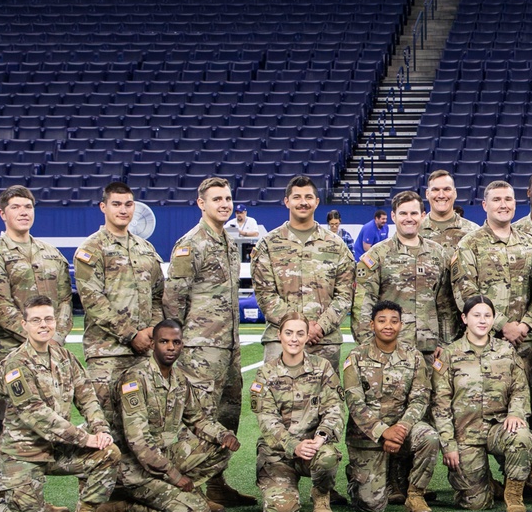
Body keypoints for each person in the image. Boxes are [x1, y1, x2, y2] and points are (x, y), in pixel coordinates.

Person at [0, 296, 131, 512]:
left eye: (48, 319)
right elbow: (35, 414)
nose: (43, 325)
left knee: (108, 453)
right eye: (36, 320)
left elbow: (87, 398)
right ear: (24, 325)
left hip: (58, 449)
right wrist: (83, 438)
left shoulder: (65, 358)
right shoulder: (15, 365)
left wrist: (101, 430)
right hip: (23, 454)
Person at [0, 185, 71, 512]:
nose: (24, 212)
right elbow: (0, 306)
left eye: (28, 206)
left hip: (46, 358)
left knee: (39, 427)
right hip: (6, 356)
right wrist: (36, 336)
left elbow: (65, 302)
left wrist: (54, 338)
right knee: (2, 427)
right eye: (16, 207)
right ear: (3, 213)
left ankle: (33, 498)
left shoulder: (50, 254)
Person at [164, 179, 246, 483]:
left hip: (228, 346)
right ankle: (184, 486)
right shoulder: (191, 243)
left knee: (227, 417)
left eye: (227, 198)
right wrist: (177, 345)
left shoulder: (227, 241)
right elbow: (174, 298)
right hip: (200, 350)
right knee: (200, 420)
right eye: (217, 199)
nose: (224, 204)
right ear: (201, 203)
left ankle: (216, 484)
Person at [72, 181, 165, 446]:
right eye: (116, 204)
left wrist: (153, 333)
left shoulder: (145, 249)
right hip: (107, 355)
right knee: (107, 428)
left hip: (144, 354)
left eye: (128, 204)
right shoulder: (91, 249)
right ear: (103, 207)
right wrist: (131, 334)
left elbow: (159, 296)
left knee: (144, 428)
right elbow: (93, 300)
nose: (123, 210)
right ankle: (103, 487)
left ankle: (136, 488)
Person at [118, 319, 239, 512]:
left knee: (220, 446)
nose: (171, 347)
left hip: (162, 459)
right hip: (136, 470)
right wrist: (173, 475)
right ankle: (125, 507)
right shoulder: (135, 379)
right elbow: (138, 441)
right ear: (152, 344)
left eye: (176, 342)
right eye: (164, 342)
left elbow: (198, 420)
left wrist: (223, 435)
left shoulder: (178, 379)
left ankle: (181, 492)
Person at [433, 295, 532, 512]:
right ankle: (487, 485)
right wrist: (448, 444)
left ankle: (514, 494)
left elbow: (520, 388)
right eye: (476, 315)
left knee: (521, 435)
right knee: (475, 504)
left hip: (499, 427)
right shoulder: (450, 355)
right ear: (464, 318)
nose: (482, 321)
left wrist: (515, 413)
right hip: (465, 434)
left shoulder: (506, 351)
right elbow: (440, 405)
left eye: (487, 316)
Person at [342, 300, 442, 512]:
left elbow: (420, 398)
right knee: (372, 505)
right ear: (371, 325)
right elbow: (355, 403)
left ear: (401, 325)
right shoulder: (356, 357)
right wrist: (384, 431)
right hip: (368, 436)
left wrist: (402, 428)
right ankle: (356, 476)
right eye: (382, 320)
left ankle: (414, 494)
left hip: (402, 430)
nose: (388, 325)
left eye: (394, 321)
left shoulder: (413, 356)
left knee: (430, 437)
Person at [253, 174, 357, 369]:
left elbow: (345, 295)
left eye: (308, 197)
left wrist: (320, 326)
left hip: (323, 341)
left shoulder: (336, 246)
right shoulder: (268, 244)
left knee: (325, 399)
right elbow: (265, 295)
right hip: (280, 340)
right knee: (276, 398)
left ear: (317, 202)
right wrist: (297, 330)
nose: (303, 202)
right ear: (286, 201)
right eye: (297, 197)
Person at [250, 313, 346, 512]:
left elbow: (335, 407)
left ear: (306, 337)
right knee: (283, 511)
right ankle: (283, 488)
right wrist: (294, 445)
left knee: (328, 456)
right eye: (289, 333)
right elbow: (267, 419)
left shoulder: (322, 368)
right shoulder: (265, 374)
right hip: (279, 454)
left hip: (312, 447)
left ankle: (320, 493)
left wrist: (320, 437)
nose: (294, 339)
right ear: (280, 335)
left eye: (300, 333)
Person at [354, 190, 457, 361]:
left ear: (423, 216)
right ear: (393, 216)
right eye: (403, 213)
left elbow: (445, 305)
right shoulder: (377, 255)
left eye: (414, 213)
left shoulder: (438, 254)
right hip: (389, 350)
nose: (409, 218)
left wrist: (445, 343)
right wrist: (368, 345)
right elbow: (363, 305)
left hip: (429, 351)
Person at [451, 180, 532, 352]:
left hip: (523, 343)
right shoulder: (469, 244)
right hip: (484, 341)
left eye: (508, 199)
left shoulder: (531, 244)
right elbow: (465, 292)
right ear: (485, 205)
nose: (503, 205)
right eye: (496, 200)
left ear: (514, 204)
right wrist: (502, 324)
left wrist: (525, 325)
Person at [423, 170, 480, 253]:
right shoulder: (414, 232)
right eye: (435, 190)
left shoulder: (474, 232)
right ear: (427, 194)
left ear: (455, 193)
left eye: (447, 189)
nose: (441, 195)